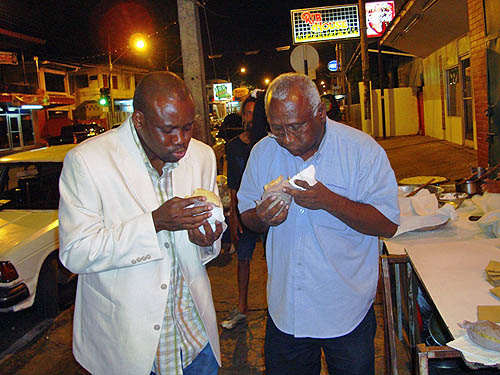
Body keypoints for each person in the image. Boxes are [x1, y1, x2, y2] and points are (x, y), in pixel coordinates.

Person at [58, 71, 224, 375]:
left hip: (195, 342)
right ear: (138, 121)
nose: (181, 140)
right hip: (130, 349)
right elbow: (75, 252)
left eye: (188, 128)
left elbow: (206, 241)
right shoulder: (88, 161)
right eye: (169, 130)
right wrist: (154, 223)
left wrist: (207, 239)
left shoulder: (202, 156)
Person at [237, 73, 400, 375]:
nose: (286, 139)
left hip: (345, 310)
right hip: (287, 311)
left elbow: (388, 223)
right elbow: (246, 213)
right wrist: (262, 217)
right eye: (277, 129)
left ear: (320, 113)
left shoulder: (361, 151)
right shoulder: (264, 151)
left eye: (296, 127)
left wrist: (330, 201)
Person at [221, 94, 260, 329]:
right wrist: (234, 218)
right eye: (247, 112)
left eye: (256, 113)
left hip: (269, 209)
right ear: (242, 115)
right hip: (245, 211)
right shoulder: (234, 146)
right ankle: (242, 307)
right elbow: (233, 186)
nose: (251, 118)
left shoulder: (271, 143)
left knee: (277, 259)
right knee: (243, 259)